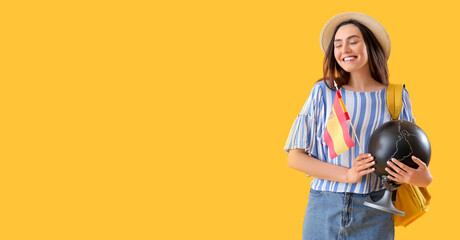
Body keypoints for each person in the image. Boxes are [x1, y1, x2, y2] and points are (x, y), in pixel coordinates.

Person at [284, 12, 433, 240]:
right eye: (338, 44)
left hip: (376, 211)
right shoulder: (324, 93)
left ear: (370, 46)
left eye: (353, 41)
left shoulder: (396, 96)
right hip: (323, 208)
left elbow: (414, 160)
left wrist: (423, 177)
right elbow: (294, 158)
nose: (345, 49)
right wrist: (347, 174)